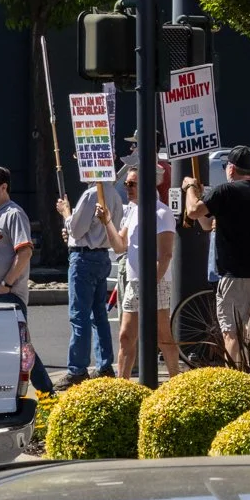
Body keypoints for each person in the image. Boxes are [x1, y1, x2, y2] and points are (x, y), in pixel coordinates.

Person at [183, 146, 250, 363]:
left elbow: (193, 212)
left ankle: (236, 381)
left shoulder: (224, 191)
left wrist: (190, 188)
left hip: (233, 274)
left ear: (231, 169)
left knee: (231, 332)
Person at [0, 167, 52, 395]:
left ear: (3, 187)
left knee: (22, 348)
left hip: (7, 295)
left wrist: (6, 284)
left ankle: (46, 393)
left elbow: (25, 252)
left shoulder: (13, 213)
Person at [104, 162, 182, 381]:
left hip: (155, 280)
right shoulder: (134, 211)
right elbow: (120, 245)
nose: (127, 188)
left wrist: (152, 284)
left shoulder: (161, 212)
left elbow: (166, 254)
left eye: (132, 184)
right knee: (126, 336)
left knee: (162, 335)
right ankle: (122, 384)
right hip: (135, 280)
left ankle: (176, 380)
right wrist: (107, 222)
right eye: (126, 183)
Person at [55, 170, 124, 381]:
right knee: (99, 315)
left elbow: (76, 230)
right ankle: (104, 365)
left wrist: (66, 213)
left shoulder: (92, 193)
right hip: (102, 256)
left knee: (80, 317)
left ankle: (77, 369)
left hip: (84, 258)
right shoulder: (114, 194)